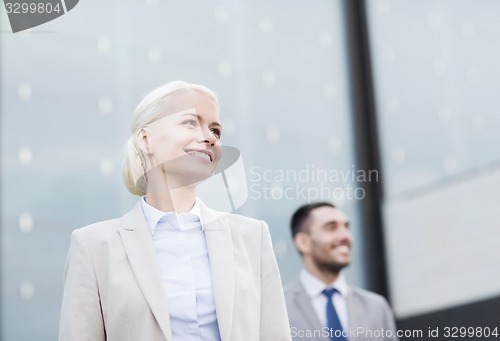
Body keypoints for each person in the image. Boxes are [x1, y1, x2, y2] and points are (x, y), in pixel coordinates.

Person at [59, 81, 291, 341]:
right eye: (191, 122)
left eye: (216, 130)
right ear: (146, 139)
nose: (210, 137)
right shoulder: (93, 247)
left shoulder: (253, 237)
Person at [285, 202, 398, 341]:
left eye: (346, 227)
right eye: (331, 228)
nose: (346, 237)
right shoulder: (280, 309)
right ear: (303, 243)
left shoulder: (376, 307)